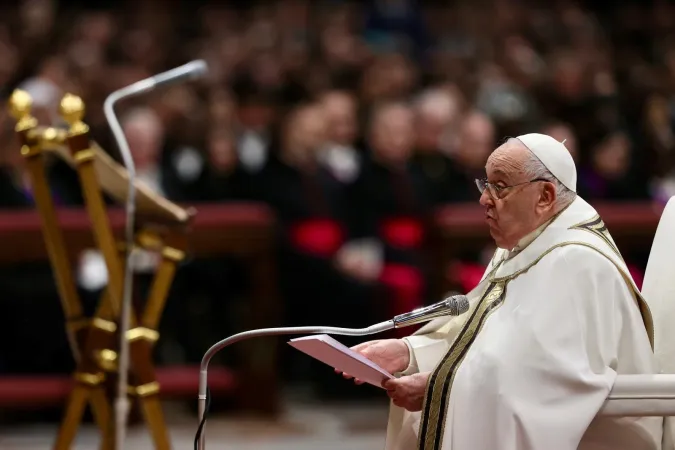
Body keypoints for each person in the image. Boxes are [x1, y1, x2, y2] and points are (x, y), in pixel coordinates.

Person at [339, 133, 661, 449]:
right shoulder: (520, 247)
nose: (484, 199)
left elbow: (553, 381)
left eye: (500, 186)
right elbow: (480, 337)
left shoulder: (578, 262)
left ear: (545, 197)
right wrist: (409, 353)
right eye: (485, 184)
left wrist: (439, 386)